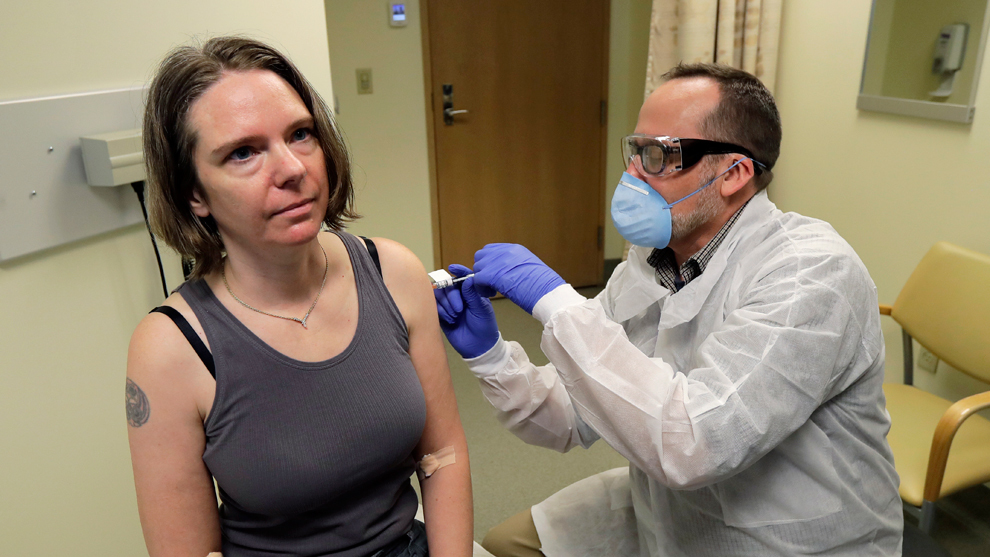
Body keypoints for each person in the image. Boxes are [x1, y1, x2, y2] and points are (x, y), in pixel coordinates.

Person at [435, 63, 902, 556]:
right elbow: (572, 414)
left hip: (787, 535)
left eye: (658, 155)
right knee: (506, 543)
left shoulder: (810, 273)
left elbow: (698, 443)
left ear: (734, 173)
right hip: (671, 505)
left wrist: (557, 302)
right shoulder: (652, 261)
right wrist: (491, 356)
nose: (632, 174)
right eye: (635, 151)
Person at [126, 36, 472, 557]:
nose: (293, 168)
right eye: (243, 152)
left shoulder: (393, 273)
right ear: (193, 193)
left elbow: (443, 456)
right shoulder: (170, 348)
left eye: (300, 134)